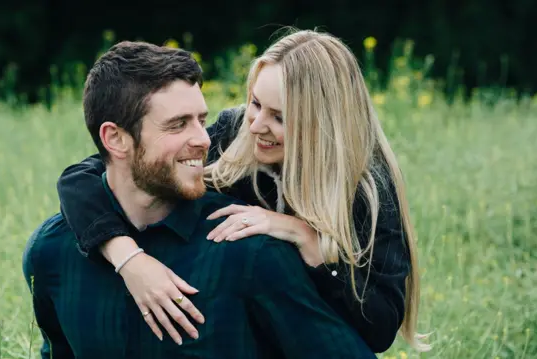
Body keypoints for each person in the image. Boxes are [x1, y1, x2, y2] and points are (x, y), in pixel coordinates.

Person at [56, 29, 430, 353]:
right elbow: (83, 178)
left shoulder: (366, 189)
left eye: (280, 117)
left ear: (323, 124)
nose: (257, 126)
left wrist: (306, 238)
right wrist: (129, 260)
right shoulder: (235, 135)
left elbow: (379, 329)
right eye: (254, 103)